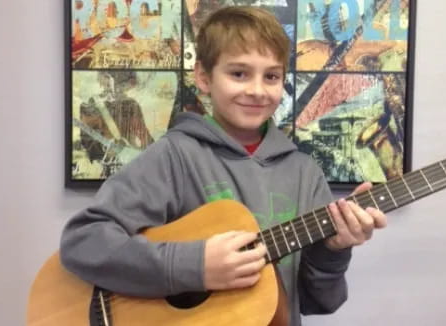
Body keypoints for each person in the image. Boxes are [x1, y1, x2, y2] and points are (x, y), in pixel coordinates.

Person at [60, 6, 387, 326]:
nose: (257, 90)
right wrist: (194, 267)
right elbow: (83, 241)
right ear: (203, 77)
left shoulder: (305, 174)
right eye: (239, 73)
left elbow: (319, 302)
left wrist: (334, 250)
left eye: (271, 76)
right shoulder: (175, 156)